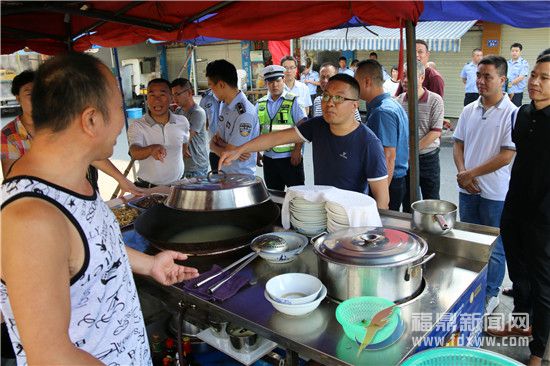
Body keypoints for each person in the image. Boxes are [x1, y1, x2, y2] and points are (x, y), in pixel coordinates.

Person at [0, 52, 199, 365]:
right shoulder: (31, 218)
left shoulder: (73, 180)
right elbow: (51, 357)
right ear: (91, 120)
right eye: (119, 107)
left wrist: (150, 265)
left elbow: (91, 248)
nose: (123, 120)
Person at [219, 74, 390, 209]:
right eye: (326, 96)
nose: (329, 103)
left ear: (354, 105)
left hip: (351, 217)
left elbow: (382, 201)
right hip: (320, 211)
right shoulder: (318, 125)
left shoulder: (368, 143)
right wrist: (239, 149)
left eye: (338, 98)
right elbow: (276, 138)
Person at [487, 53, 550, 366]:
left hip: (544, 218)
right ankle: (522, 323)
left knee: (543, 283)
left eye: (545, 78)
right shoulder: (523, 113)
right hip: (514, 208)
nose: (535, 82)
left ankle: (538, 351)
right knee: (519, 273)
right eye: (534, 75)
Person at [0, 70, 142, 196]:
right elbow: (12, 179)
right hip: (39, 203)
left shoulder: (62, 123)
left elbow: (89, 154)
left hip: (75, 194)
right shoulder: (8, 135)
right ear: (18, 98)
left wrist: (121, 179)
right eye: (29, 94)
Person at [452, 55, 517, 315]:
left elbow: (506, 154)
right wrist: (462, 174)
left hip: (495, 193)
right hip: (466, 190)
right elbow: (458, 143)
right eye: (478, 75)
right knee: (469, 243)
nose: (480, 81)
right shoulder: (469, 109)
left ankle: (491, 293)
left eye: (487, 76)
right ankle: (472, 288)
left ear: (502, 80)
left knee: (494, 247)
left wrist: (470, 174)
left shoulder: (511, 113)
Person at [355, 59, 409, 211]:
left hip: (388, 183)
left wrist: (382, 199)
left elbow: (388, 156)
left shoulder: (382, 112)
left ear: (366, 81)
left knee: (382, 229)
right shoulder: (390, 104)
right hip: (392, 181)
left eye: (355, 81)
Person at [398, 62, 444, 211]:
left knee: (431, 202)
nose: (405, 80)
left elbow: (435, 131)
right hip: (406, 160)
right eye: (404, 76)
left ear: (422, 77)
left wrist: (412, 151)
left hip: (428, 159)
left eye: (409, 76)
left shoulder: (435, 100)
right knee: (408, 202)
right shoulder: (398, 101)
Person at [128, 78, 190, 187]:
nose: (157, 100)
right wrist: (151, 149)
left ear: (171, 98)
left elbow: (184, 143)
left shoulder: (182, 122)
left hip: (178, 186)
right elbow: (134, 152)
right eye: (152, 95)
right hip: (149, 188)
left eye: (162, 94)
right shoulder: (137, 125)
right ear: (147, 99)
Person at [256, 65, 307, 190]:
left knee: (296, 195)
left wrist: (297, 150)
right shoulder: (260, 104)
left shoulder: (293, 101)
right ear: (266, 83)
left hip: (290, 158)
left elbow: (302, 127)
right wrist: (256, 152)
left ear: (283, 80)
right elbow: (256, 130)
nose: (275, 85)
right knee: (274, 195)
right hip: (269, 159)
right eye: (271, 82)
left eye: (278, 81)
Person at [207, 59, 259, 175]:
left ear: (221, 84)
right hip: (226, 174)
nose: (211, 91)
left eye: (211, 86)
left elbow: (229, 154)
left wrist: (214, 146)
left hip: (240, 177)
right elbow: (217, 142)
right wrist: (216, 145)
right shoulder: (225, 105)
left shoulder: (245, 113)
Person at [171, 78, 209, 177]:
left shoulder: (197, 112)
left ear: (189, 93)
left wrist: (184, 145)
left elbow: (186, 136)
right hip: (182, 165)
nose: (174, 98)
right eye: (173, 95)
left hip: (196, 167)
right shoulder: (178, 112)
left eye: (177, 94)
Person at [199, 88, 221, 171]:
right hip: (214, 149)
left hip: (231, 148)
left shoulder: (232, 98)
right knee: (216, 180)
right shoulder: (206, 99)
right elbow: (205, 123)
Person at [507, 42, 530, 107]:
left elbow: (521, 77)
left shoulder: (524, 63)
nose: (514, 53)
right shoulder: (507, 63)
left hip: (517, 92)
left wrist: (509, 84)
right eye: (512, 51)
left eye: (516, 51)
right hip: (506, 91)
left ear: (520, 52)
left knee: (515, 110)